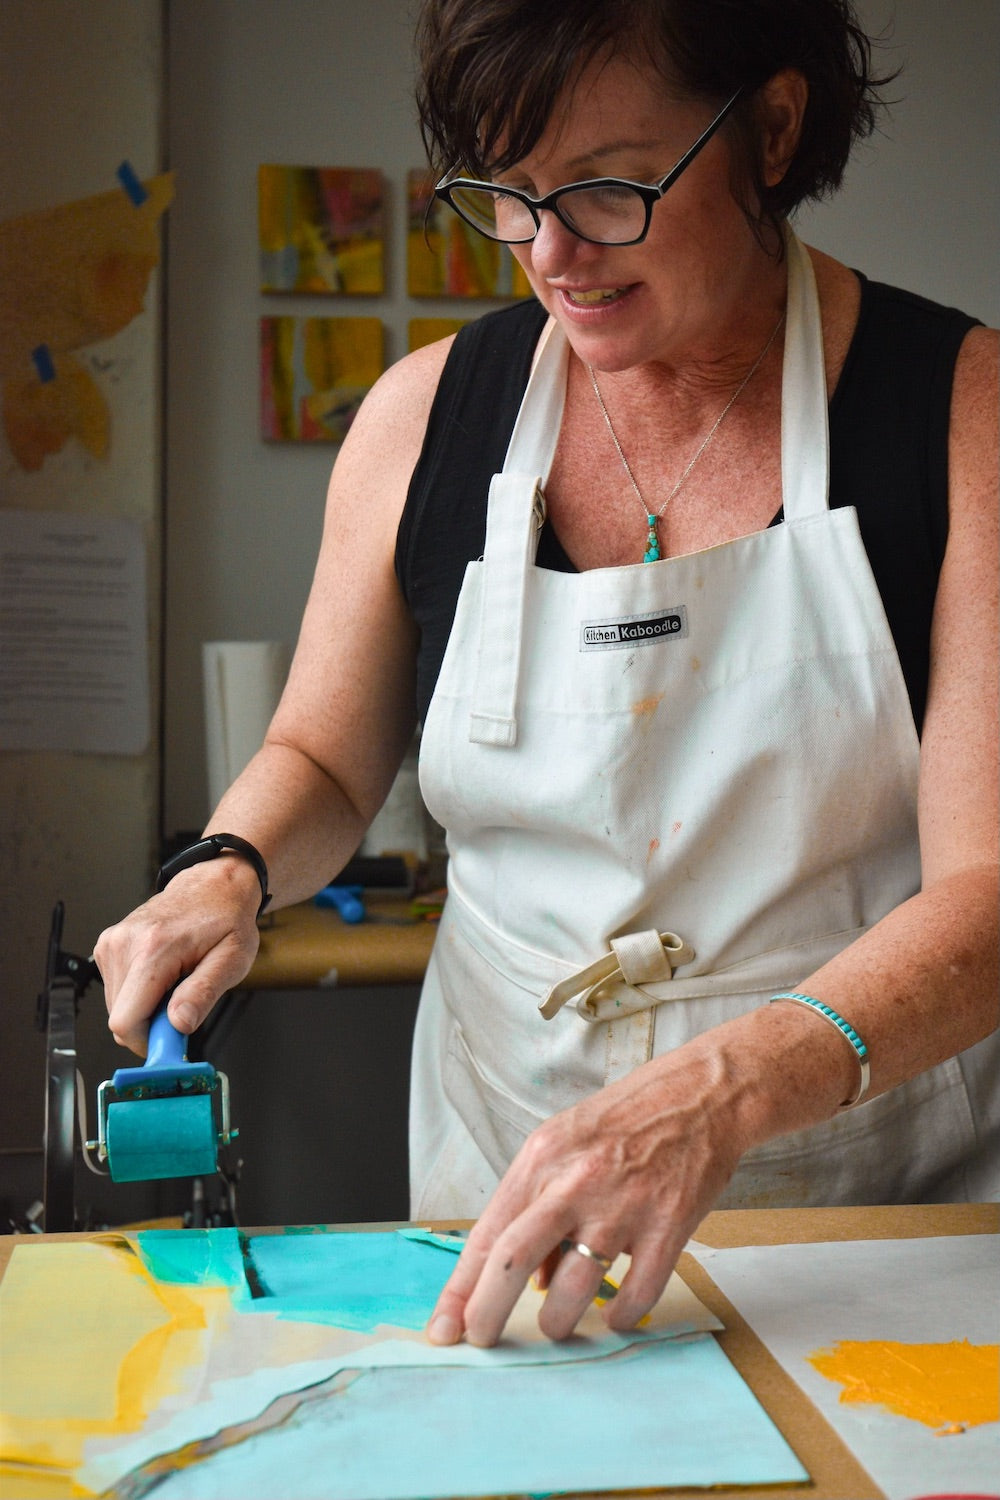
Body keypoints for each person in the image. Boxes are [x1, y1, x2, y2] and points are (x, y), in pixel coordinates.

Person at [95, 0, 998, 1349]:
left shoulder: (960, 415)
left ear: (773, 123)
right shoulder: (422, 417)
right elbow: (329, 761)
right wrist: (230, 864)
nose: (552, 253)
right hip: (506, 1199)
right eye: (508, 195)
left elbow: (989, 889)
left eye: (607, 186)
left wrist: (722, 1089)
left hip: (855, 1213)